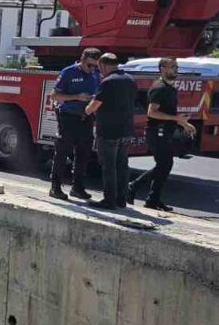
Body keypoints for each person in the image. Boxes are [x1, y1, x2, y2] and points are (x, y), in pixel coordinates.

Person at [129, 57, 196, 212]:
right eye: (172, 67)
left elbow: (171, 113)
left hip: (166, 131)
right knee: (163, 165)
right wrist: (176, 119)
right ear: (162, 69)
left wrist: (184, 123)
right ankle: (133, 186)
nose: (176, 69)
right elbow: (152, 112)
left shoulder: (171, 88)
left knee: (165, 165)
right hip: (156, 131)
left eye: (176, 67)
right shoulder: (159, 88)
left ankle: (153, 199)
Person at [84, 53, 137, 210]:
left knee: (109, 166)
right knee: (122, 165)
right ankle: (121, 199)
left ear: (103, 65)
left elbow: (93, 107)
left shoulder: (107, 82)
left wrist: (87, 109)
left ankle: (109, 200)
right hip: (126, 129)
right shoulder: (130, 80)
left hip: (108, 131)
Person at [49, 48, 101, 201]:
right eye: (90, 65)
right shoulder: (69, 72)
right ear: (82, 60)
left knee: (83, 153)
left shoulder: (95, 74)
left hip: (86, 117)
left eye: (95, 66)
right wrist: (76, 97)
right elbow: (54, 95)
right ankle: (55, 187)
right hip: (68, 116)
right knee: (62, 152)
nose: (92, 69)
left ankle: (77, 188)